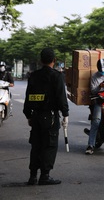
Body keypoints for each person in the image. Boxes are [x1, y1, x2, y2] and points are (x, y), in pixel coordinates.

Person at [23, 48, 69, 185]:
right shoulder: (57, 76)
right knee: (49, 146)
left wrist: (28, 115)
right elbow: (62, 97)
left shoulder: (33, 76)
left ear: (40, 60)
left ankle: (32, 176)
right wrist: (65, 114)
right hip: (50, 117)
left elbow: (28, 97)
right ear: (54, 61)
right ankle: (45, 176)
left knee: (36, 146)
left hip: (36, 117)